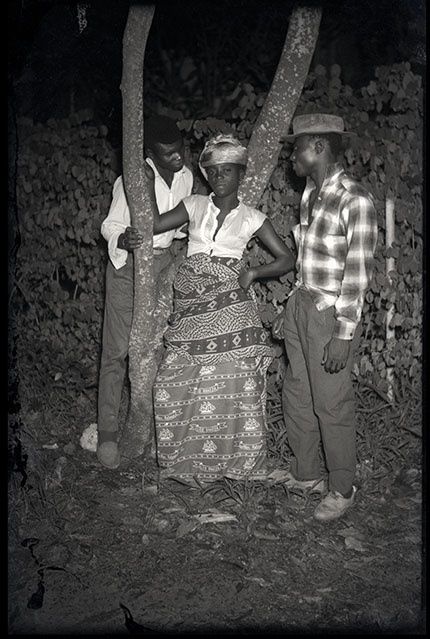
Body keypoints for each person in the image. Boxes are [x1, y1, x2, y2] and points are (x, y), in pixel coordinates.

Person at [144, 133, 295, 484]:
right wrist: (149, 185)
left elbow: (287, 258)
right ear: (206, 174)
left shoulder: (253, 217)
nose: (219, 178)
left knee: (235, 381)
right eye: (213, 171)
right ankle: (185, 460)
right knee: (174, 379)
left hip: (232, 304)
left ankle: (235, 463)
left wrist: (254, 272)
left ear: (241, 174)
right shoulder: (194, 204)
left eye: (227, 171)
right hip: (191, 303)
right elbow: (154, 223)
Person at [273, 113, 378, 521]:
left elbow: (357, 275)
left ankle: (341, 487)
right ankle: (306, 474)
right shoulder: (309, 195)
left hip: (330, 316)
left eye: (296, 147)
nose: (291, 156)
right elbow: (307, 263)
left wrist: (343, 334)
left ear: (318, 146)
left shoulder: (355, 200)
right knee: (297, 393)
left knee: (331, 403)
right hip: (302, 305)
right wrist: (290, 306)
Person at [97, 115, 193, 470]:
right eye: (168, 154)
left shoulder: (186, 177)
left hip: (163, 264)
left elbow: (178, 225)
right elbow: (109, 224)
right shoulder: (133, 178)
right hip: (129, 266)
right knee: (117, 351)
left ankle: (157, 427)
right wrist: (124, 238)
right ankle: (107, 432)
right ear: (152, 152)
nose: (177, 158)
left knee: (157, 346)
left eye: (179, 150)